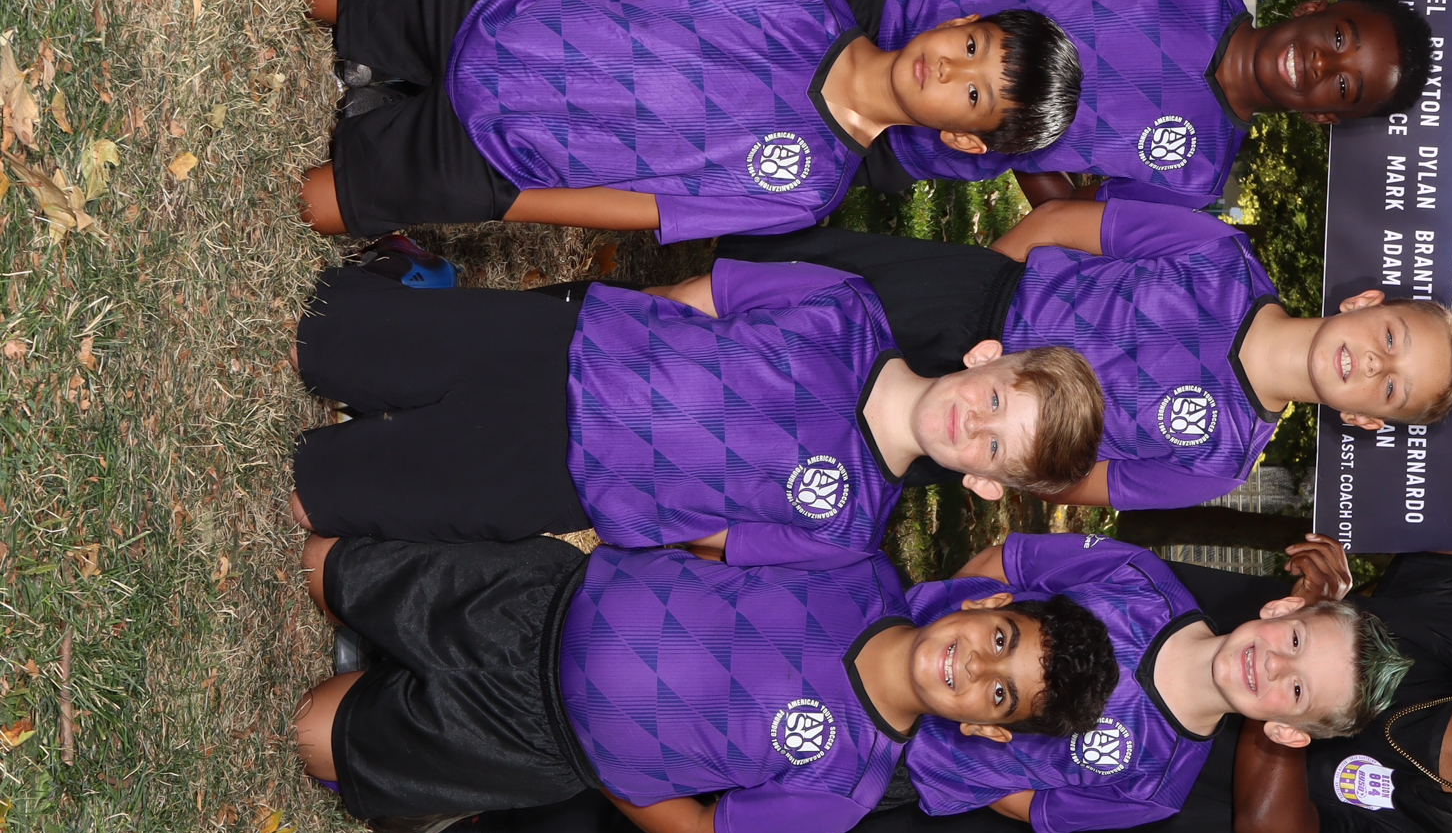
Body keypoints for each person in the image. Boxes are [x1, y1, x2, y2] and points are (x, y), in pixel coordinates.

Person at [372, 537, 1452, 833]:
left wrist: (1282, 683)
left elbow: (1271, 828)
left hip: (1103, 786)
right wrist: (1318, 599)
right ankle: (514, 683)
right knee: (772, 697)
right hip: (1098, 649)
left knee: (801, 830)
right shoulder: (1444, 629)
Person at [290, 527, 1120, 833]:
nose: (973, 668)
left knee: (306, 735)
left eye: (1000, 697)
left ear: (987, 732)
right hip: (537, 599)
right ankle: (393, 669)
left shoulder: (846, 789)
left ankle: (421, 778)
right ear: (987, 604)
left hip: (537, 739)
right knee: (317, 565)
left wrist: (607, 758)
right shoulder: (856, 565)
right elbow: (715, 539)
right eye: (1000, 640)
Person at [294, 0, 1080, 240]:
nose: (950, 68)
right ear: (962, 19)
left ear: (962, 139)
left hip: (505, 154)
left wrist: (505, 197)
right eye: (971, 46)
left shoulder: (809, 192)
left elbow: (648, 209)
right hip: (499, 10)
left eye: (972, 96)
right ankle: (386, 85)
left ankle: (386, 107)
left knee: (311, 206)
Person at [289, 256, 1105, 546]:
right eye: (995, 399)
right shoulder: (848, 307)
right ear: (987, 357)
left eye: (994, 446)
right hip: (560, 351)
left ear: (983, 483)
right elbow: (707, 297)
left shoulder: (849, 526)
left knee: (314, 493)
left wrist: (645, 501)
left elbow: (723, 539)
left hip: (563, 480)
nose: (974, 422)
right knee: (319, 339)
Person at [723, 204, 1452, 509]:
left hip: (966, 437)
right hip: (963, 304)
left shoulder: (1218, 464)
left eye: (1391, 389)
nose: (1374, 366)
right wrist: (970, 289)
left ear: (1365, 419)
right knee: (758, 294)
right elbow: (1063, 223)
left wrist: (1001, 454)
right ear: (1364, 303)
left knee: (770, 443)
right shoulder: (1221, 255)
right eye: (1391, 340)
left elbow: (1077, 481)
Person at [830, 0, 1431, 209]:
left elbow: (1069, 217)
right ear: (1314, 9)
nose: (1324, 62)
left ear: (1325, 116)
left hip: (895, 147)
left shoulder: (1195, 178)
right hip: (884, 10)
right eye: (1340, 38)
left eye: (1344, 84)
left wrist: (1015, 148)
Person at [901, 529, 1410, 833]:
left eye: (1298, 690)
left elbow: (1032, 805)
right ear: (1283, 608)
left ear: (1286, 732)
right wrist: (933, 646)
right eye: (1295, 641)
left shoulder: (1157, 791)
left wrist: (952, 762)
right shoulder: (1137, 577)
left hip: (902, 770)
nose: (1276, 665)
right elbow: (1001, 565)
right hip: (897, 642)